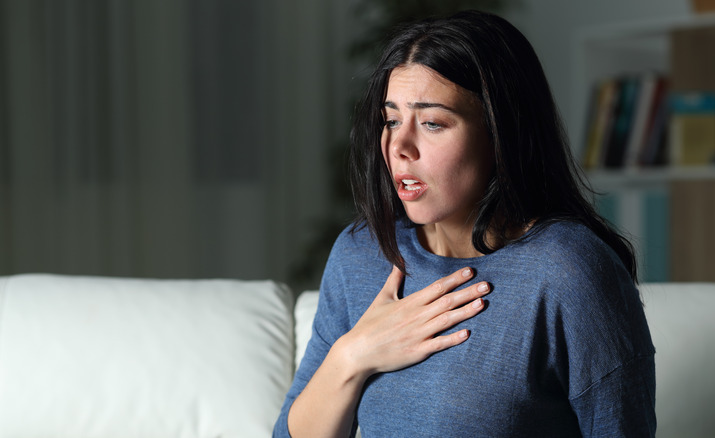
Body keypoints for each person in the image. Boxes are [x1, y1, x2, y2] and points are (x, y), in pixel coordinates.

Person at [274, 10, 655, 438]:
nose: (399, 146)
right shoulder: (362, 253)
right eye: (392, 119)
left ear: (500, 131)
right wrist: (354, 355)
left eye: (432, 122)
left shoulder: (570, 273)